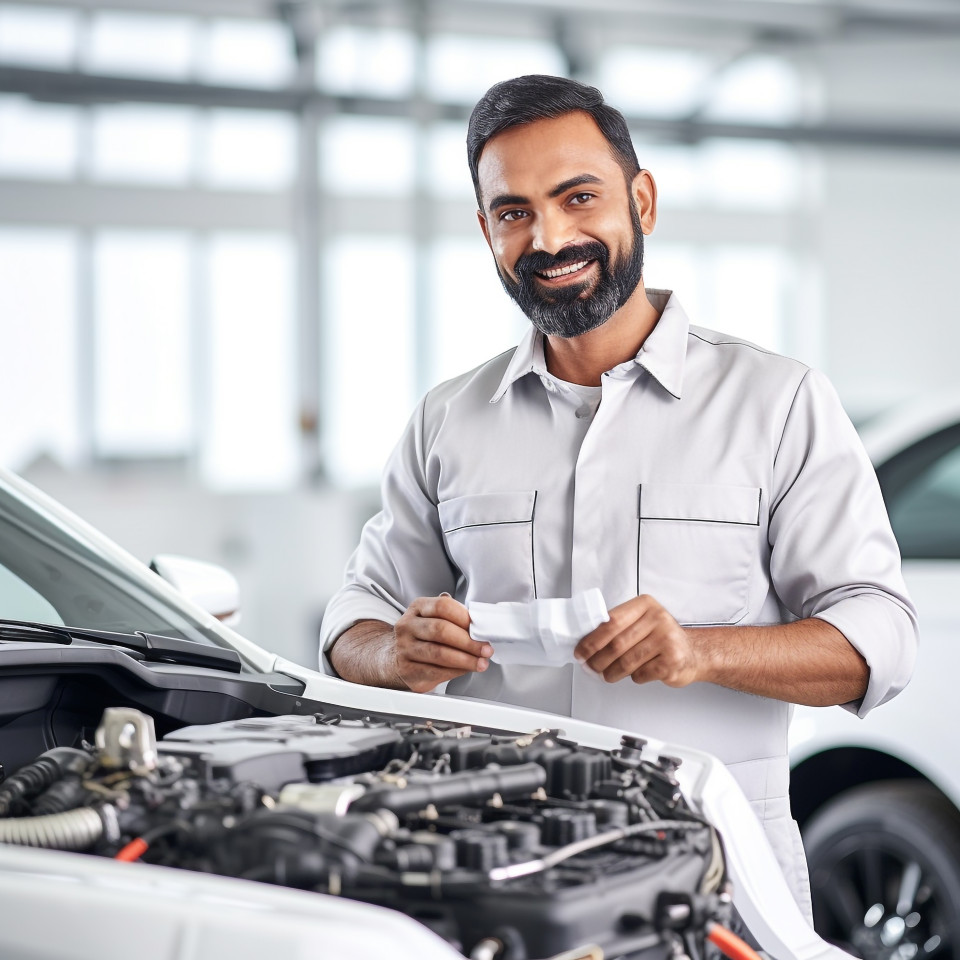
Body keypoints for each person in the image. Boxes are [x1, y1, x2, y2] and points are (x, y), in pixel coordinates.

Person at [318, 74, 918, 915]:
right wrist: (393, 653)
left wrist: (700, 650)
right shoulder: (448, 420)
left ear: (641, 200)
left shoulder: (778, 402)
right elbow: (357, 612)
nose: (550, 235)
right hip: (500, 871)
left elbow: (880, 639)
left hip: (714, 876)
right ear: (486, 230)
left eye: (578, 196)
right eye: (514, 211)